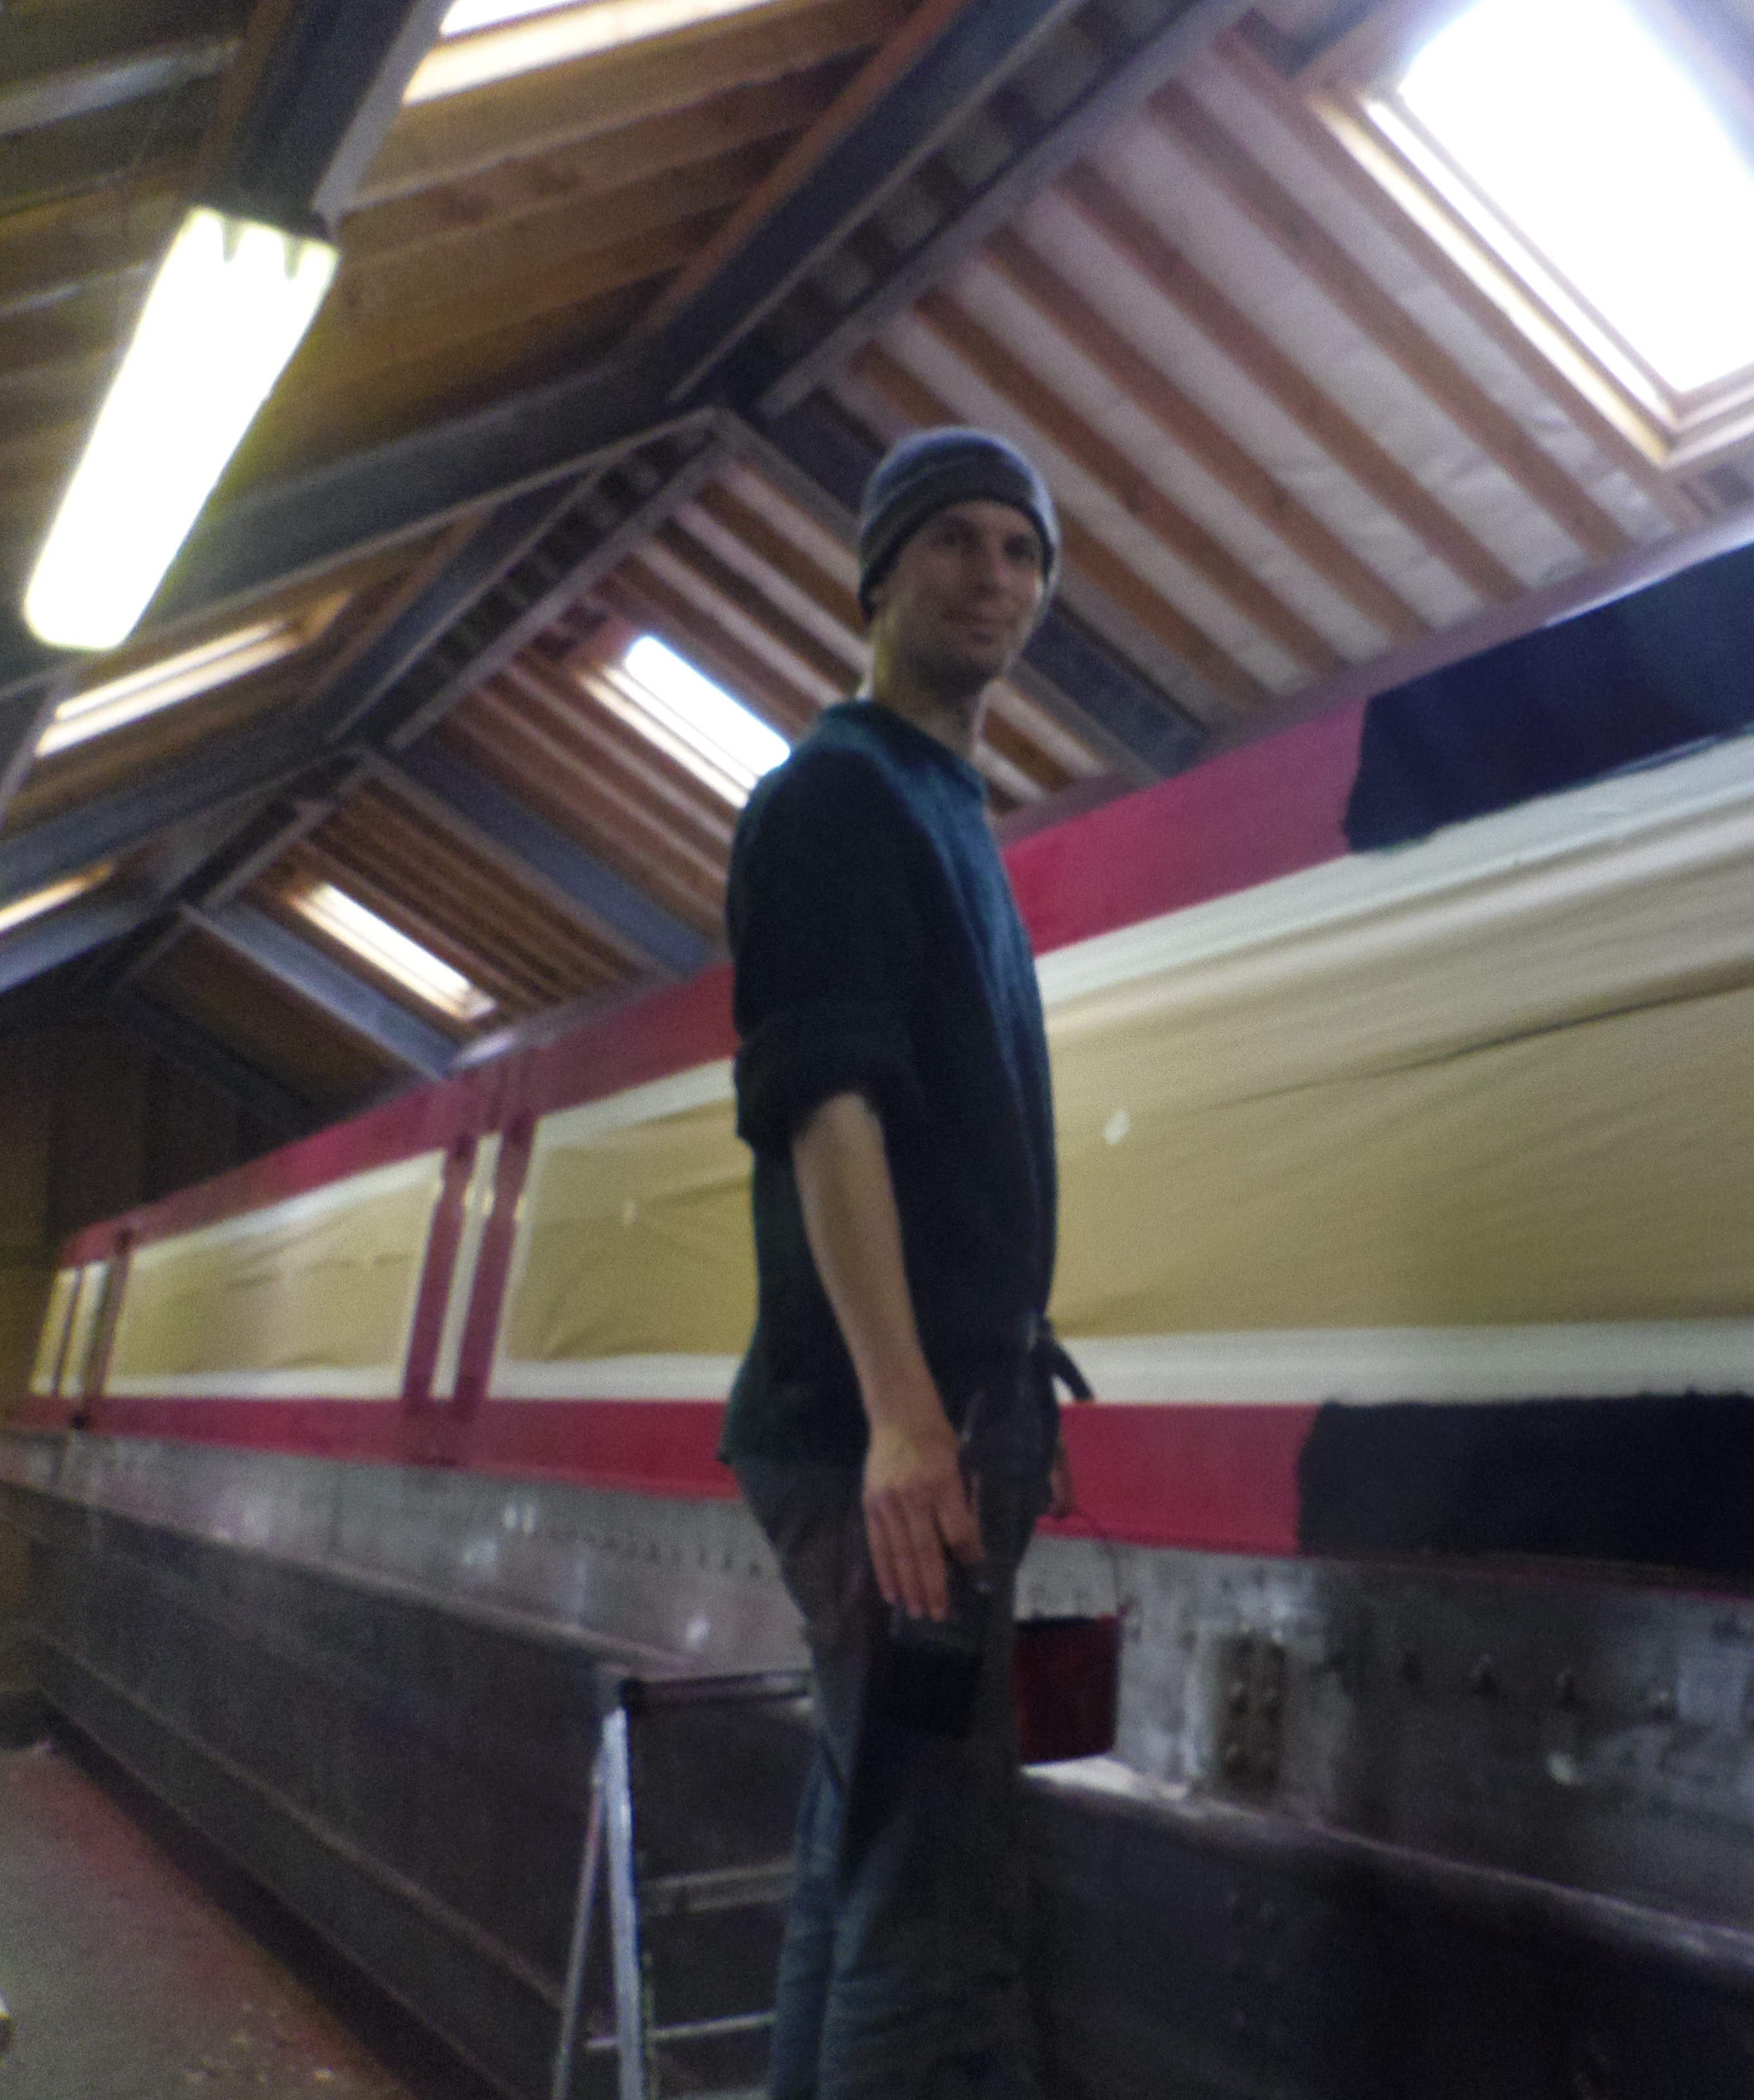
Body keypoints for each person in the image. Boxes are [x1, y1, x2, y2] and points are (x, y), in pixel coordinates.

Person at [723, 426, 1074, 2100]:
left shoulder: (943, 808)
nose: (991, 577)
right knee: (930, 1907)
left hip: (940, 1422)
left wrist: (980, 1398)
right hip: (894, 1444)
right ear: (875, 575)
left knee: (864, 1856)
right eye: (952, 540)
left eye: (1020, 550)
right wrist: (905, 1417)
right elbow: (829, 1109)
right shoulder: (834, 800)